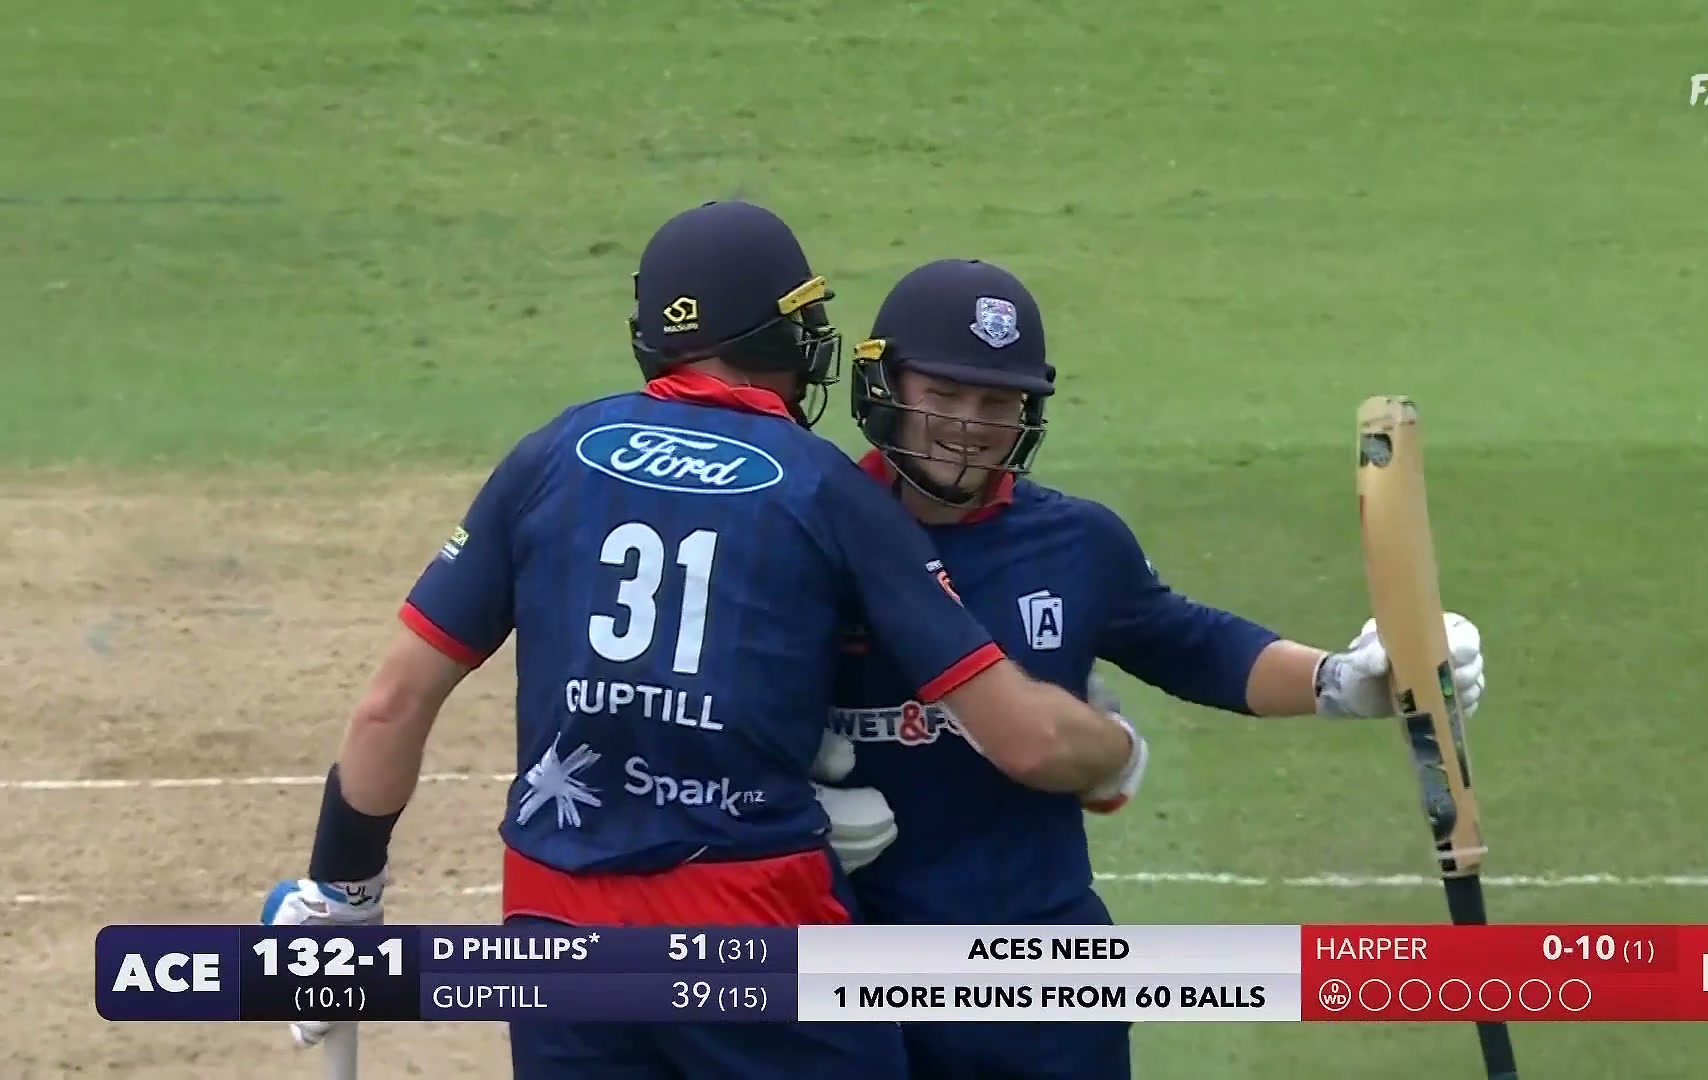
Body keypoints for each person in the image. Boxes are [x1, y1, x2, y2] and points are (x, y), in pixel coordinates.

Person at [259, 209, 1143, 1079]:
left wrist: (341, 899)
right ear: (774, 334)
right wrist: (1113, 751)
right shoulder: (829, 489)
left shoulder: (548, 457)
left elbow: (391, 706)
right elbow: (1021, 738)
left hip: (554, 918)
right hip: (751, 913)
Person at [824, 258, 1488, 1079]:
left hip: (1042, 972)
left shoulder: (1076, 541)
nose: (969, 423)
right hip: (845, 966)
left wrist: (1346, 681)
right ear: (886, 384)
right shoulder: (808, 523)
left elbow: (1196, 646)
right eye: (945, 394)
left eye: (996, 402)